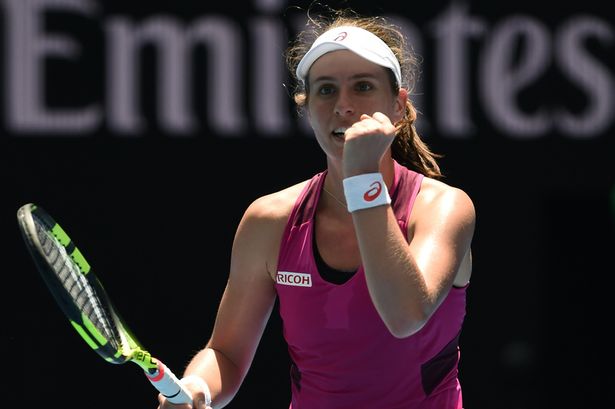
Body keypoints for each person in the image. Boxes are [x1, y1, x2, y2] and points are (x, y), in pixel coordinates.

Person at [157, 7, 476, 409]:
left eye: (362, 87)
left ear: (398, 106)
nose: (343, 105)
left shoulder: (443, 208)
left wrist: (362, 178)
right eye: (325, 90)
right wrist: (197, 389)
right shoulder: (269, 221)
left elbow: (405, 317)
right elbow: (226, 354)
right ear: (306, 108)